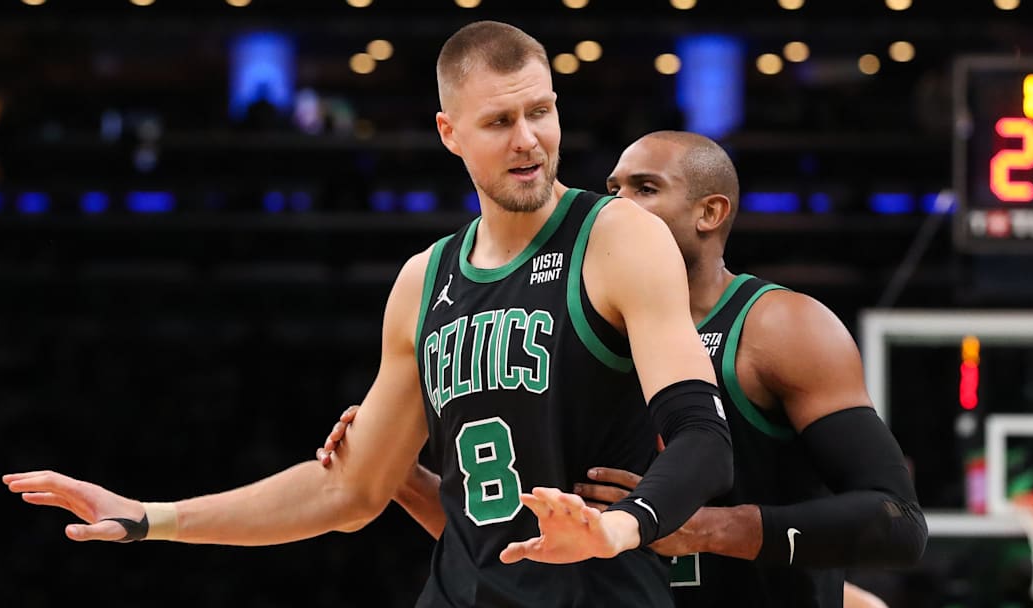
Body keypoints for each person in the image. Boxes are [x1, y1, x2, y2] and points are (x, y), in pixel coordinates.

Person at [3, 22, 733, 608]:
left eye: (540, 112)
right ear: (450, 133)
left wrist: (614, 529)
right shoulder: (424, 282)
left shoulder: (615, 237)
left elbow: (703, 435)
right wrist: (147, 516)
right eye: (499, 121)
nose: (527, 140)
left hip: (598, 591)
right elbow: (347, 491)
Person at [320, 131, 927, 607]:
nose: (615, 205)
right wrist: (399, 475)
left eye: (644, 188)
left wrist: (701, 527)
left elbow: (897, 523)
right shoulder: (572, 336)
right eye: (611, 188)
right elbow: (516, 544)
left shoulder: (779, 328)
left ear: (710, 212)